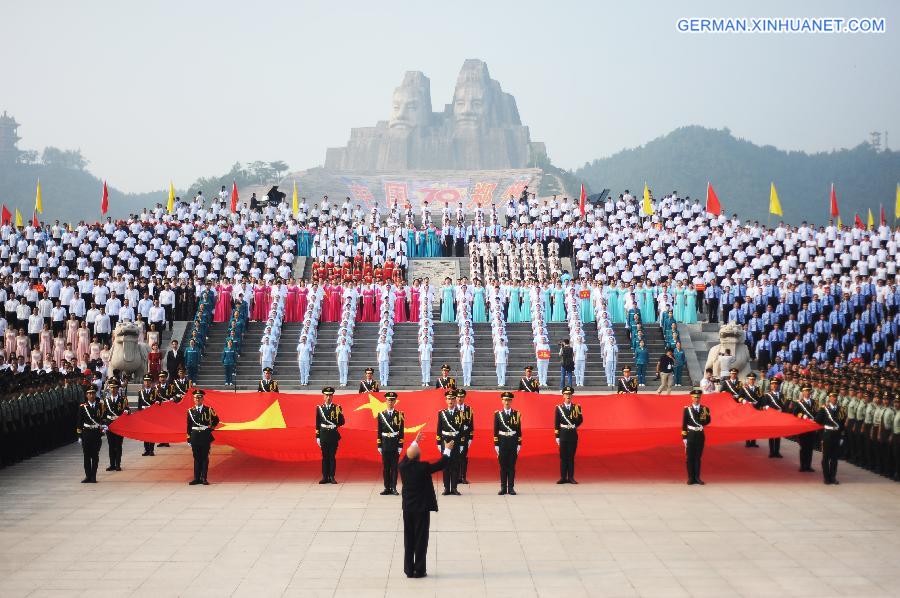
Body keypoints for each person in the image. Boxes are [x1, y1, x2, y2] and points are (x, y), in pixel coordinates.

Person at [399, 432, 453, 579]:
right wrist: (447, 449)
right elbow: (441, 464)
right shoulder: (422, 467)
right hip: (421, 509)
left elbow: (407, 455)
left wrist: (415, 442)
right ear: (418, 457)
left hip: (408, 509)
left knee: (408, 539)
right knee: (421, 540)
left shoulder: (402, 466)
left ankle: (408, 570)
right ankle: (419, 570)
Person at [186, 388, 219, 485]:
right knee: (196, 457)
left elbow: (216, 420)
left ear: (202, 399)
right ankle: (196, 478)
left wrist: (210, 429)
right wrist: (188, 438)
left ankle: (204, 478)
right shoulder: (190, 411)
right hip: (195, 435)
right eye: (195, 398)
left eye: (199, 398)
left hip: (205, 435)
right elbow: (188, 425)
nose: (197, 399)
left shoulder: (208, 410)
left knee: (204, 457)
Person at [494, 391, 522, 495]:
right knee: (503, 466)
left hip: (513, 441)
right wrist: (496, 444)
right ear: (502, 401)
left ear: (511, 401)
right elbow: (495, 430)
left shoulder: (516, 414)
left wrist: (519, 443)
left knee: (511, 466)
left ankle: (511, 488)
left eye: (509, 400)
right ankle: (503, 487)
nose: (507, 402)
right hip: (502, 441)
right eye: (505, 400)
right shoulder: (498, 414)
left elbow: (519, 430)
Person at [682, 388, 711, 485]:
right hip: (690, 435)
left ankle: (697, 477)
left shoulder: (705, 409)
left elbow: (708, 421)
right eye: (694, 397)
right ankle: (690, 477)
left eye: (698, 397)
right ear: (691, 398)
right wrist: (684, 438)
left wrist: (703, 419)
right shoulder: (687, 409)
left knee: (698, 457)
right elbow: (684, 424)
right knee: (690, 457)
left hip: (700, 435)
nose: (696, 399)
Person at [377, 391, 404, 495]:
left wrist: (400, 445)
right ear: (386, 401)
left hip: (394, 443)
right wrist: (379, 445)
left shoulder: (400, 414)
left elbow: (401, 431)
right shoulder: (381, 415)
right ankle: (386, 488)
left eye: (392, 400)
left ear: (395, 402)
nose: (390, 402)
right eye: (388, 400)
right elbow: (379, 430)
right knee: (385, 468)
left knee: (394, 468)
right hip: (384, 443)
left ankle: (393, 487)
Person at [316, 387, 344, 483]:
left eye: (330, 395)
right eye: (326, 395)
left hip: (332, 434)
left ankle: (332, 477)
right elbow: (317, 423)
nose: (328, 397)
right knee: (324, 457)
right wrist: (317, 437)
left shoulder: (337, 408)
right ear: (323, 396)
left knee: (332, 456)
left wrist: (333, 425)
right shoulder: (319, 408)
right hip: (323, 434)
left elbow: (342, 421)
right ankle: (324, 477)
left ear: (332, 396)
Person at [77, 387, 106, 483]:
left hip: (96, 433)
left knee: (95, 455)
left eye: (93, 393)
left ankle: (93, 476)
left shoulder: (100, 406)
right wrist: (80, 436)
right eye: (89, 393)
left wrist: (104, 428)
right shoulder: (82, 407)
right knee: (86, 455)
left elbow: (103, 418)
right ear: (86, 395)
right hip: (86, 433)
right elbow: (79, 422)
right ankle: (87, 476)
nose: (92, 395)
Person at [436, 391, 462, 495]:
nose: (450, 401)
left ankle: (454, 488)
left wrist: (461, 443)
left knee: (455, 465)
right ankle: (447, 488)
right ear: (446, 400)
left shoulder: (460, 414)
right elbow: (439, 428)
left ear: (455, 400)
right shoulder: (442, 413)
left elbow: (462, 430)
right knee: (446, 465)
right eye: (448, 399)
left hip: (455, 440)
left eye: (452, 399)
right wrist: (439, 442)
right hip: (445, 441)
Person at [554, 386, 583, 484]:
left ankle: (571, 477)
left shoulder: (576, 407)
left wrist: (573, 425)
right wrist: (557, 436)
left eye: (569, 394)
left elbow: (580, 420)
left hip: (572, 434)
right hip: (563, 434)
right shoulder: (558, 408)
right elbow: (556, 422)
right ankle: (563, 477)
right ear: (563, 396)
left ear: (572, 396)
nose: (568, 396)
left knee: (571, 457)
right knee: (563, 457)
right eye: (566, 394)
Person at [816, 391, 844, 484]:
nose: (834, 398)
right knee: (826, 458)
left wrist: (842, 437)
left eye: (836, 397)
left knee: (834, 458)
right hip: (827, 435)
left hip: (836, 435)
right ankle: (826, 477)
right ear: (829, 398)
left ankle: (833, 477)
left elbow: (842, 424)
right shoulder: (824, 409)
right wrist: (822, 436)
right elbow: (817, 421)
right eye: (832, 397)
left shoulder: (841, 409)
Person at [102, 378, 128, 471]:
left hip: (119, 424)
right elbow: (104, 414)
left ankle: (118, 464)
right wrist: (104, 424)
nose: (113, 390)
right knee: (111, 445)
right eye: (111, 388)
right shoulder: (106, 400)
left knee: (118, 445)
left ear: (118, 389)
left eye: (115, 388)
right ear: (109, 389)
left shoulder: (122, 400)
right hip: (110, 425)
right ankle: (112, 464)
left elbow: (127, 410)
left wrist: (126, 411)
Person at [792, 385, 818, 473]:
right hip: (803, 427)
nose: (807, 393)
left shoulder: (814, 402)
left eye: (808, 391)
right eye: (805, 391)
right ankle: (803, 466)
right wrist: (803, 416)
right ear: (802, 392)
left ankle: (808, 465)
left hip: (811, 428)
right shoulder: (799, 403)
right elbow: (795, 413)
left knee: (810, 448)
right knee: (803, 447)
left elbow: (816, 412)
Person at [761, 378, 786, 458]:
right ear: (771, 385)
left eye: (776, 384)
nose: (774, 385)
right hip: (771, 417)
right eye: (772, 384)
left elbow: (784, 406)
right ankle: (771, 452)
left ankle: (777, 451)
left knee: (778, 435)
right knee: (772, 435)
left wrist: (782, 410)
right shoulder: (767, 395)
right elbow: (763, 407)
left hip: (779, 417)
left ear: (778, 385)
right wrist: (768, 407)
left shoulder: (781, 395)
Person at [738, 372, 762, 447]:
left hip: (755, 408)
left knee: (754, 426)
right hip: (747, 409)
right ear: (748, 380)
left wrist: (756, 404)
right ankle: (748, 442)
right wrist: (743, 401)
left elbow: (761, 399)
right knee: (748, 426)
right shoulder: (744, 388)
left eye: (753, 379)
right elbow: (739, 397)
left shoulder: (758, 388)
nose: (752, 381)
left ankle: (753, 442)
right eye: (750, 379)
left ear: (755, 380)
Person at [455, 390, 473, 484]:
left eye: (461, 397)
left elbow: (471, 425)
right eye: (458, 397)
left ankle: (463, 477)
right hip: (455, 437)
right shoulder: (453, 408)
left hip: (465, 436)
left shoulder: (468, 409)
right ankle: (456, 477)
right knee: (455, 457)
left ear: (464, 397)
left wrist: (470, 437)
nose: (459, 399)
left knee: (463, 457)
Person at [137, 373, 157, 456]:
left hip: (152, 415)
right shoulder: (140, 392)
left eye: (148, 381)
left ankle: (151, 450)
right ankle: (146, 449)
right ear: (143, 382)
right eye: (145, 381)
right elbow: (139, 404)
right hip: (144, 414)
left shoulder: (155, 392)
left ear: (151, 382)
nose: (147, 383)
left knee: (152, 433)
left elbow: (158, 403)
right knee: (145, 433)